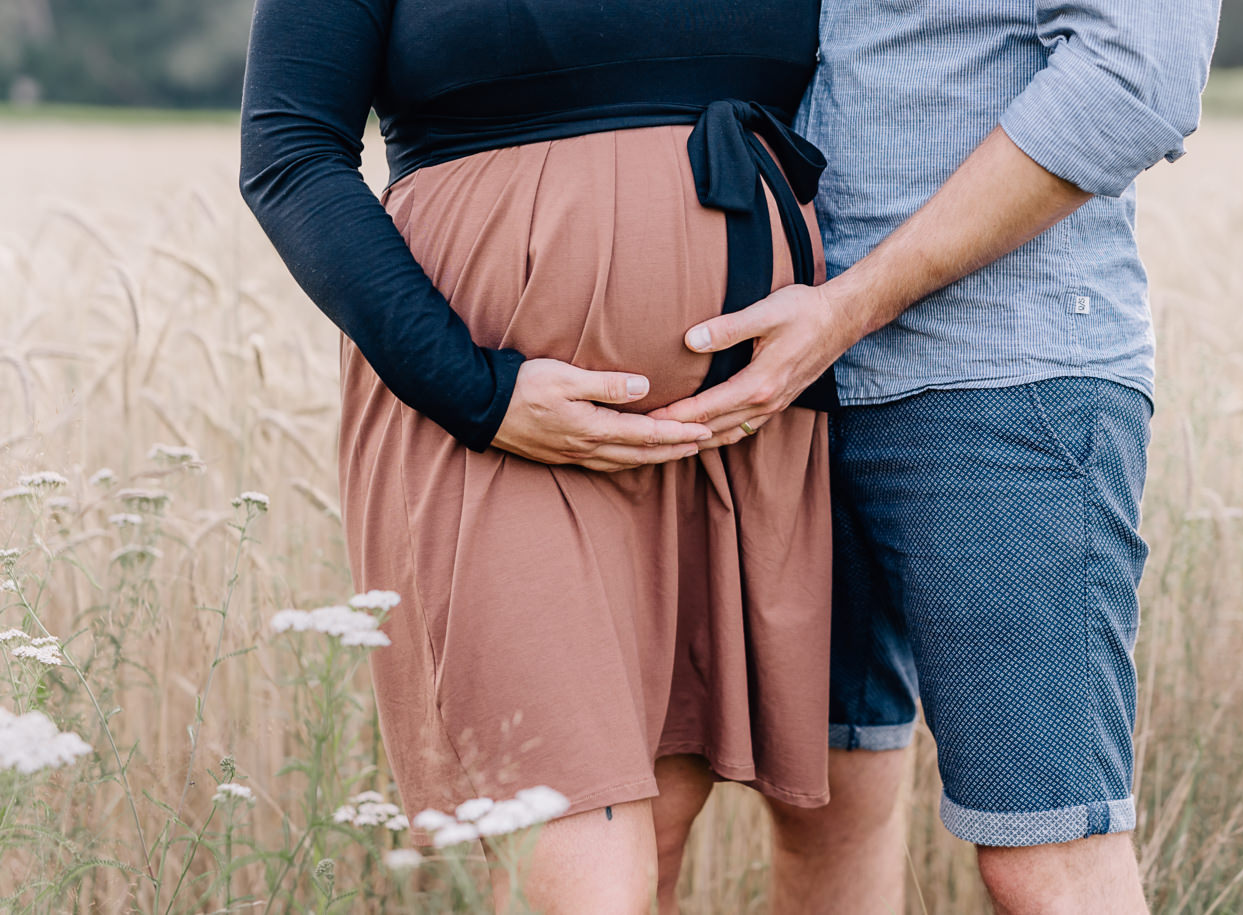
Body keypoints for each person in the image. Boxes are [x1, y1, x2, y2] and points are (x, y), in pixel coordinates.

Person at [237, 2, 837, 911]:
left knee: (656, 847)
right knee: (584, 876)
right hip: (492, 429)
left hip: (735, 428)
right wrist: (480, 391)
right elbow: (288, 153)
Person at [651, 1, 1223, 912]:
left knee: (1044, 852)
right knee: (824, 804)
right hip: (786, 391)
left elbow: (1134, 76)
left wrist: (843, 310)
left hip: (1000, 376)